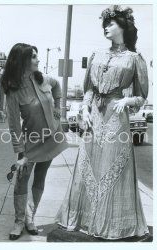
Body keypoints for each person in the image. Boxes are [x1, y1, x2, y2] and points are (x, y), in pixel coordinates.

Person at [55, 5, 150, 240]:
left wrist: (127, 100)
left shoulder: (135, 59)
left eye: (111, 23)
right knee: (87, 167)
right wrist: (85, 109)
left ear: (123, 27)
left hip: (117, 119)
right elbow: (89, 88)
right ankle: (84, 219)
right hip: (94, 118)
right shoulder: (97, 54)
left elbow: (142, 95)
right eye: (104, 24)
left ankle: (113, 224)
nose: (106, 27)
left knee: (112, 170)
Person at [1, 43, 69, 240]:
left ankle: (30, 219)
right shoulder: (13, 90)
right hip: (31, 141)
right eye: (33, 56)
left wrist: (58, 108)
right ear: (22, 61)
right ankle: (18, 221)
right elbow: (14, 124)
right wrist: (20, 152)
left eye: (37, 56)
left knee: (40, 177)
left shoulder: (43, 79)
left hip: (52, 137)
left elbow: (57, 86)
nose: (37, 60)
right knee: (21, 180)